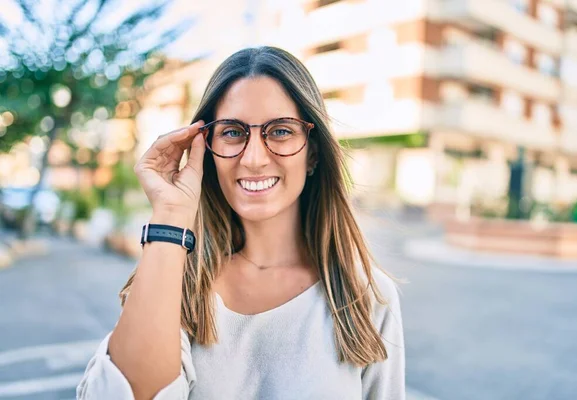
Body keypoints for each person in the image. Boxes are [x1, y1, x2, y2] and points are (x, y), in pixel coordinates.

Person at [76, 46, 405, 400]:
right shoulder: (176, 282)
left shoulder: (367, 294)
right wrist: (170, 216)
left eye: (280, 131)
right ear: (206, 148)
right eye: (232, 132)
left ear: (313, 153)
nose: (253, 158)